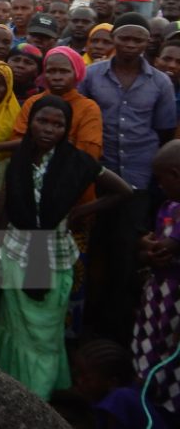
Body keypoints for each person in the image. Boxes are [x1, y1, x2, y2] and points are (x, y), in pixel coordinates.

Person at [0, 96, 131, 400]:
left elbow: (123, 191)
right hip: (16, 252)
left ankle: (36, 394)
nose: (49, 129)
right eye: (42, 121)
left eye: (58, 124)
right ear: (30, 123)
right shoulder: (20, 158)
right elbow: (6, 202)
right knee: (13, 323)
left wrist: (79, 212)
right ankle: (10, 385)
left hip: (54, 255)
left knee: (45, 330)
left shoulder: (77, 162)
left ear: (67, 128)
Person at [80, 13, 177, 346]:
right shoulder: (91, 75)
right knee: (91, 251)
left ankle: (115, 331)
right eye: (124, 38)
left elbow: (164, 132)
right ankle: (85, 325)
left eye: (138, 40)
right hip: (97, 178)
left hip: (138, 179)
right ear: (113, 39)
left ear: (148, 42)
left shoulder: (160, 83)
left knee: (125, 254)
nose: (130, 45)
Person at [131, 140, 180, 423]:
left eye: (162, 181)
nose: (159, 187)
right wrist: (146, 249)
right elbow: (151, 245)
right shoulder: (168, 207)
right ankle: (147, 403)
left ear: (175, 174)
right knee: (150, 345)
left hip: (174, 299)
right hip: (158, 296)